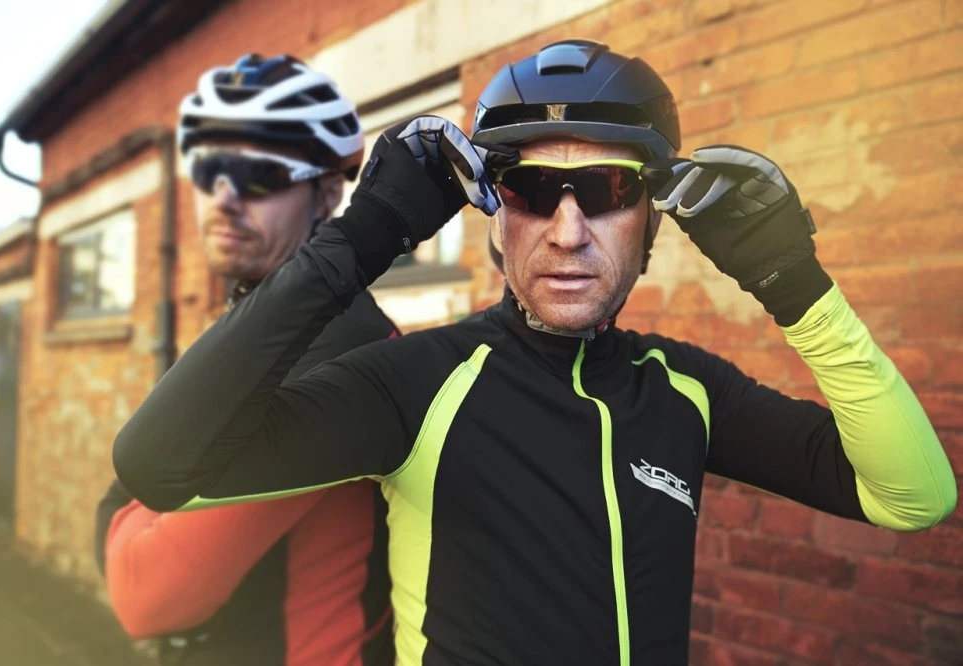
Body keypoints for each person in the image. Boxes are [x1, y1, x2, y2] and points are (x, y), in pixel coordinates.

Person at [112, 40, 957, 665]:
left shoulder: (686, 390)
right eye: (530, 189)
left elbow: (913, 496)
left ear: (651, 220)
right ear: (496, 217)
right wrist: (362, 236)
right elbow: (160, 465)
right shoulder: (419, 384)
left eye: (608, 189)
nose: (567, 230)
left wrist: (795, 285)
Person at [95, 54, 397, 666]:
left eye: (259, 175)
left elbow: (145, 591)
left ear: (327, 192)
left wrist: (116, 510)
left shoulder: (335, 347)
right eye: (210, 170)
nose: (225, 198)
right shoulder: (258, 332)